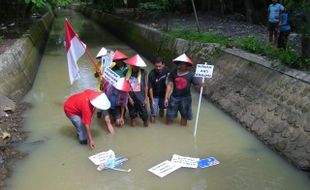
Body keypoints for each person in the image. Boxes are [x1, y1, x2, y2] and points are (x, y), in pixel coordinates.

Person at [164, 53, 205, 127]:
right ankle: (168, 129)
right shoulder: (173, 73)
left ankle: (182, 130)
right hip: (174, 97)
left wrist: (200, 85)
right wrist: (166, 98)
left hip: (186, 98)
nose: (179, 65)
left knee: (184, 116)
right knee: (169, 116)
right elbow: (169, 85)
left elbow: (196, 86)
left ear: (186, 65)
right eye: (179, 63)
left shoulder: (191, 75)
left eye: (181, 63)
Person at [124, 54, 149, 127]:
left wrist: (146, 98)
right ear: (131, 65)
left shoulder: (144, 72)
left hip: (141, 97)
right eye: (134, 65)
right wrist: (129, 98)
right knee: (133, 116)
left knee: (144, 116)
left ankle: (146, 128)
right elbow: (125, 87)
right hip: (131, 97)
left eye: (137, 66)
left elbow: (146, 86)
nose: (135, 67)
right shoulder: (126, 72)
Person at [148, 57, 169, 123]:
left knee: (162, 109)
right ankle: (153, 125)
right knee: (153, 113)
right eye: (156, 66)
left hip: (163, 95)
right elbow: (150, 88)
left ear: (163, 65)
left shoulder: (166, 71)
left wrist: (166, 97)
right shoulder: (151, 74)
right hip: (154, 95)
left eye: (160, 66)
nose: (158, 68)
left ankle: (161, 120)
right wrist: (152, 100)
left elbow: (170, 84)